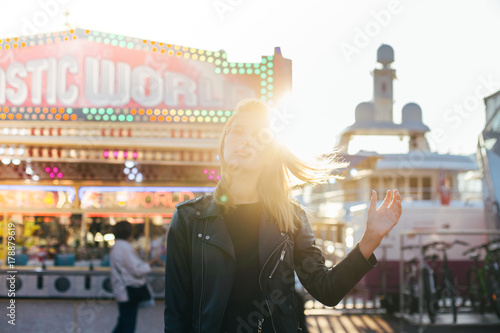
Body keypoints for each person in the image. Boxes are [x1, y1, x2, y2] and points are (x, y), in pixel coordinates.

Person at [164, 99, 402, 333]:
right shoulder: (188, 219)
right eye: (238, 131)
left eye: (259, 136)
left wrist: (370, 238)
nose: (246, 141)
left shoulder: (291, 218)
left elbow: (326, 290)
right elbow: (176, 313)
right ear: (223, 143)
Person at [110, 221, 161, 333]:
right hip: (128, 291)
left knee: (123, 322)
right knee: (128, 325)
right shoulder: (124, 248)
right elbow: (136, 270)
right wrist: (150, 264)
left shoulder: (117, 246)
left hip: (122, 291)